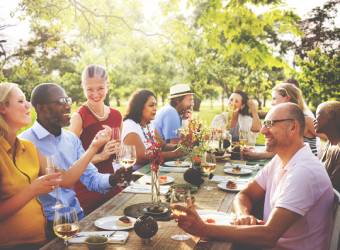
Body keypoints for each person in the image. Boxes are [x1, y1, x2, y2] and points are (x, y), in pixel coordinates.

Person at [173, 103, 333, 250]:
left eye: (270, 124)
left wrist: (204, 229)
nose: (263, 130)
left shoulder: (304, 172)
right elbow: (245, 194)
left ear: (293, 127)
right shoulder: (281, 159)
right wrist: (244, 215)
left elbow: (268, 235)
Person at [0, 83, 111, 249]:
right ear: (2, 107)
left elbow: (65, 180)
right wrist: (33, 190)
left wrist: (94, 146)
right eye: (21, 101)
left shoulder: (27, 147)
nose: (28, 105)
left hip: (40, 239)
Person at [19, 83, 126, 231]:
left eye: (68, 101)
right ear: (42, 108)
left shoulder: (71, 139)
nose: (68, 106)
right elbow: (63, 179)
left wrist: (113, 178)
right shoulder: (25, 142)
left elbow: (91, 178)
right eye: (61, 102)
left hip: (77, 217)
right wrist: (94, 147)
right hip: (46, 226)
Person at [69, 64, 122, 214]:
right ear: (83, 87)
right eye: (89, 89)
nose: (95, 94)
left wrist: (119, 150)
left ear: (108, 86)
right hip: (88, 191)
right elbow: (70, 165)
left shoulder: (117, 115)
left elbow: (120, 154)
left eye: (100, 88)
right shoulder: (79, 117)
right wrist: (101, 156)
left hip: (113, 184)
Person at [243, 82, 319, 160]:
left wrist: (257, 155)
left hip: (304, 164)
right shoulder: (279, 118)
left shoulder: (305, 120)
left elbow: (327, 138)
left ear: (286, 98)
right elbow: (278, 149)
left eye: (274, 98)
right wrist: (255, 152)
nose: (272, 103)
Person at [122, 89, 183, 166]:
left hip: (151, 170)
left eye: (155, 105)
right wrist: (174, 154)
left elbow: (163, 146)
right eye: (151, 105)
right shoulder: (130, 125)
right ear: (139, 107)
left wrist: (181, 147)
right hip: (134, 174)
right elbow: (142, 158)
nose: (155, 108)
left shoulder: (149, 124)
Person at [315, 101, 340, 192]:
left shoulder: (338, 150)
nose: (314, 120)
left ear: (331, 115)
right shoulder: (329, 143)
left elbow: (332, 188)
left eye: (317, 115)